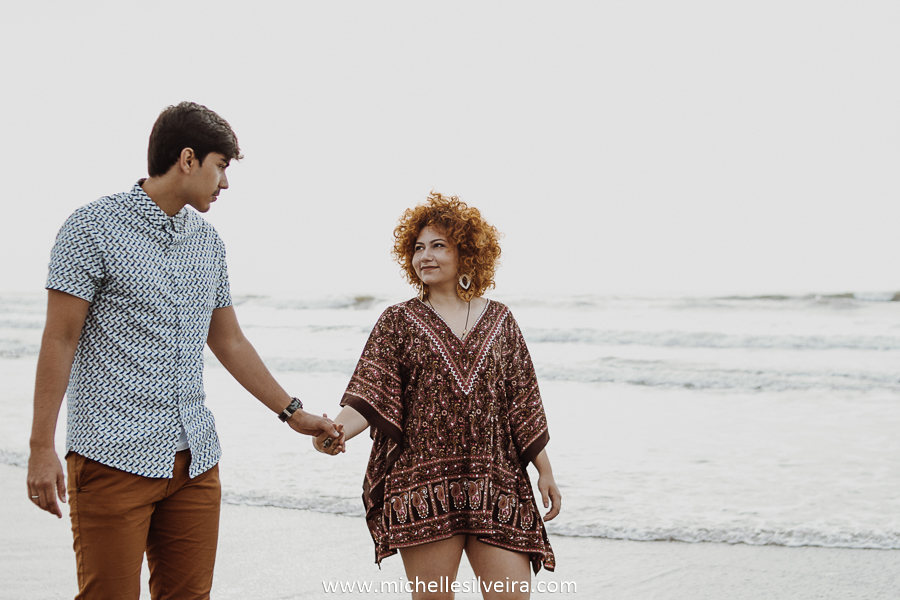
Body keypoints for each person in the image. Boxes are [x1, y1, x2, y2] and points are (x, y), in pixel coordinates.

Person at [26, 101, 341, 600]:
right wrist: (41, 448)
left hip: (194, 464)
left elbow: (229, 340)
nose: (226, 182)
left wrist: (293, 413)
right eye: (222, 166)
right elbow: (59, 338)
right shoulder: (90, 228)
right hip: (111, 458)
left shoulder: (208, 242)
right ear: (188, 159)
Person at [315, 192, 560, 599]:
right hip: (423, 483)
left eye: (438, 246)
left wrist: (544, 471)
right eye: (417, 247)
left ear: (466, 253)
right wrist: (334, 431)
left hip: (494, 481)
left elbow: (523, 401)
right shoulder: (398, 320)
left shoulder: (501, 319)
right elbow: (373, 392)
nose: (424, 256)